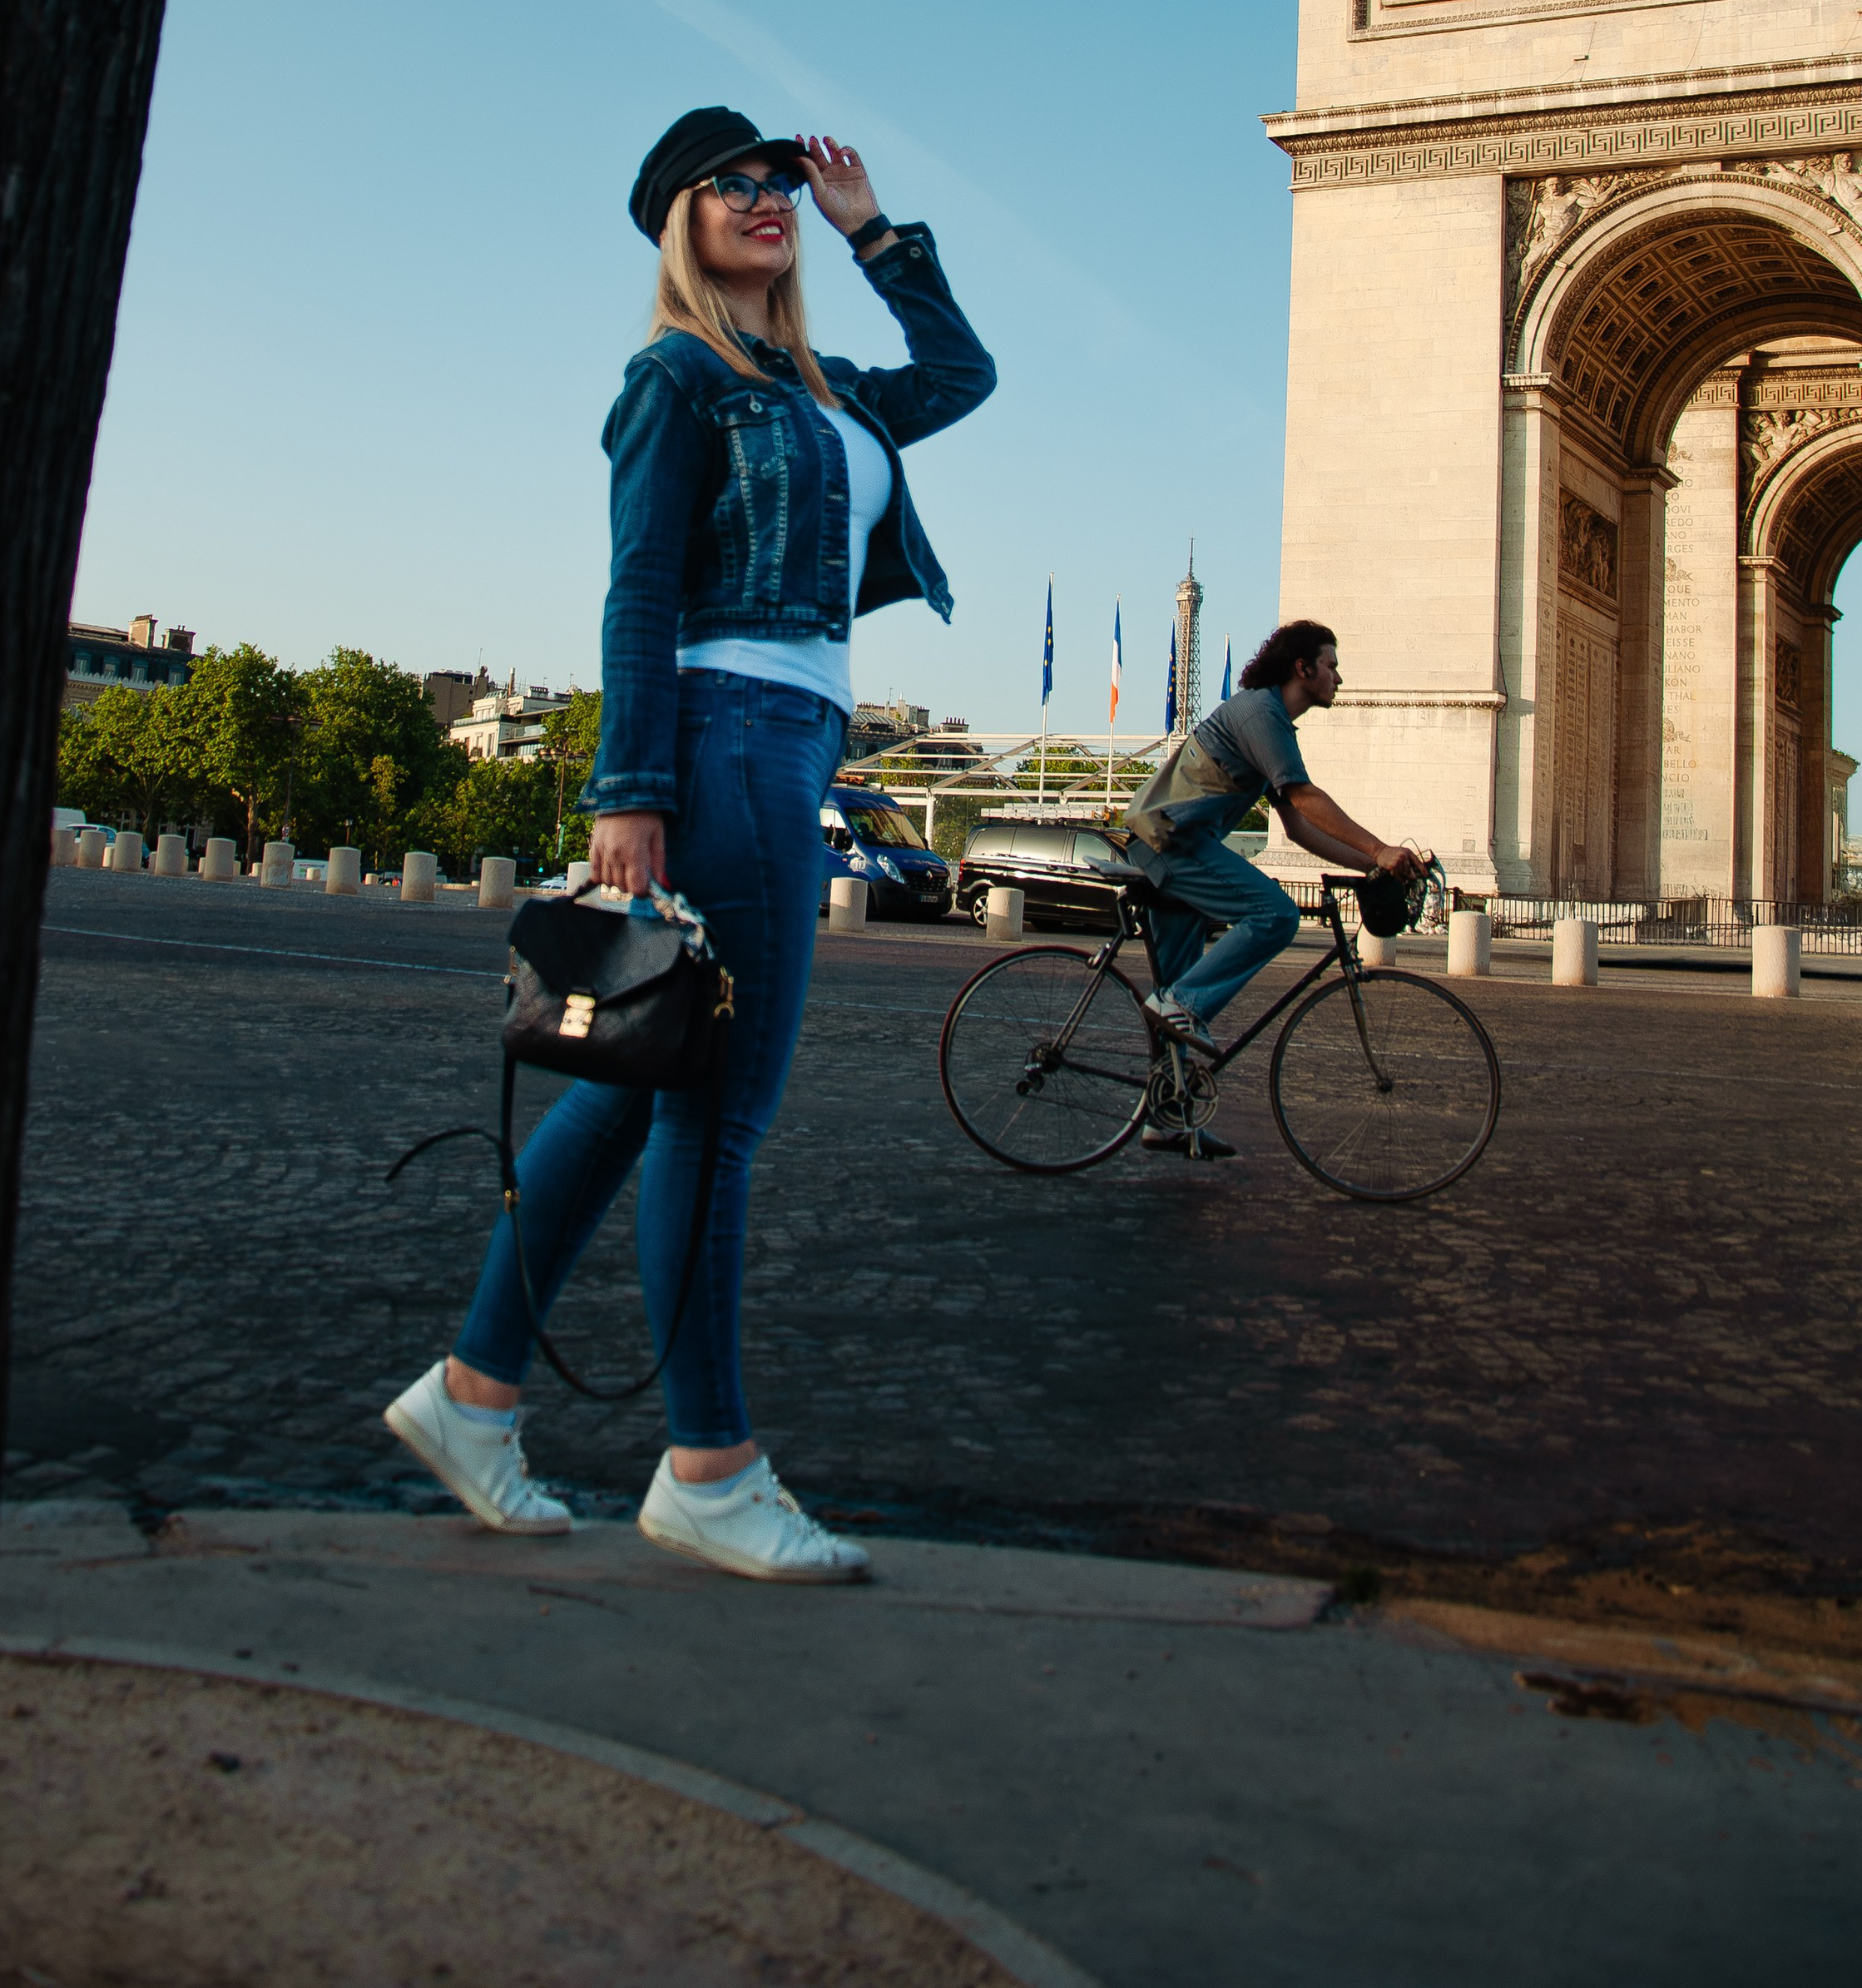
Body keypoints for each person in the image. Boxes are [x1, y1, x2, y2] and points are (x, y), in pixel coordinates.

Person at [386, 106, 995, 1578]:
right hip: (726, 735)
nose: (764, 196)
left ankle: (472, 1396)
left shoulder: (827, 383)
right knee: (718, 1117)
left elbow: (964, 376)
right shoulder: (674, 377)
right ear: (681, 220)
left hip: (790, 737)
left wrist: (875, 231)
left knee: (640, 1085)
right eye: (731, 185)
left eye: (778, 178)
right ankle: (709, 1469)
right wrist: (626, 792)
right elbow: (638, 592)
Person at [1116, 620, 1426, 1157]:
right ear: (1301, 668)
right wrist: (1379, 849)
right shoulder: (1262, 713)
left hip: (1172, 844)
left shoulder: (1271, 721)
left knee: (1174, 1007)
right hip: (1172, 840)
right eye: (1330, 664)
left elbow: (1297, 826)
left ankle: (1166, 1118)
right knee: (1277, 917)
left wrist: (1367, 866)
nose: (1339, 677)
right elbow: (1305, 797)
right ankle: (1179, 1002)